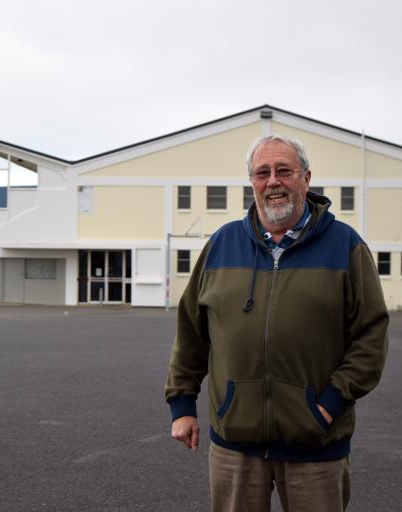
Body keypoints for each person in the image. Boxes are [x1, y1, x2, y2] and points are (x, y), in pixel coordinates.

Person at [165, 134, 389, 512]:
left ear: (306, 178)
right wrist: (182, 404)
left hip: (316, 445)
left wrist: (328, 405)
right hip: (235, 445)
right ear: (252, 181)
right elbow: (192, 332)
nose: (273, 181)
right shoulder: (222, 245)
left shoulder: (345, 246)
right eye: (262, 172)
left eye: (284, 171)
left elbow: (371, 335)